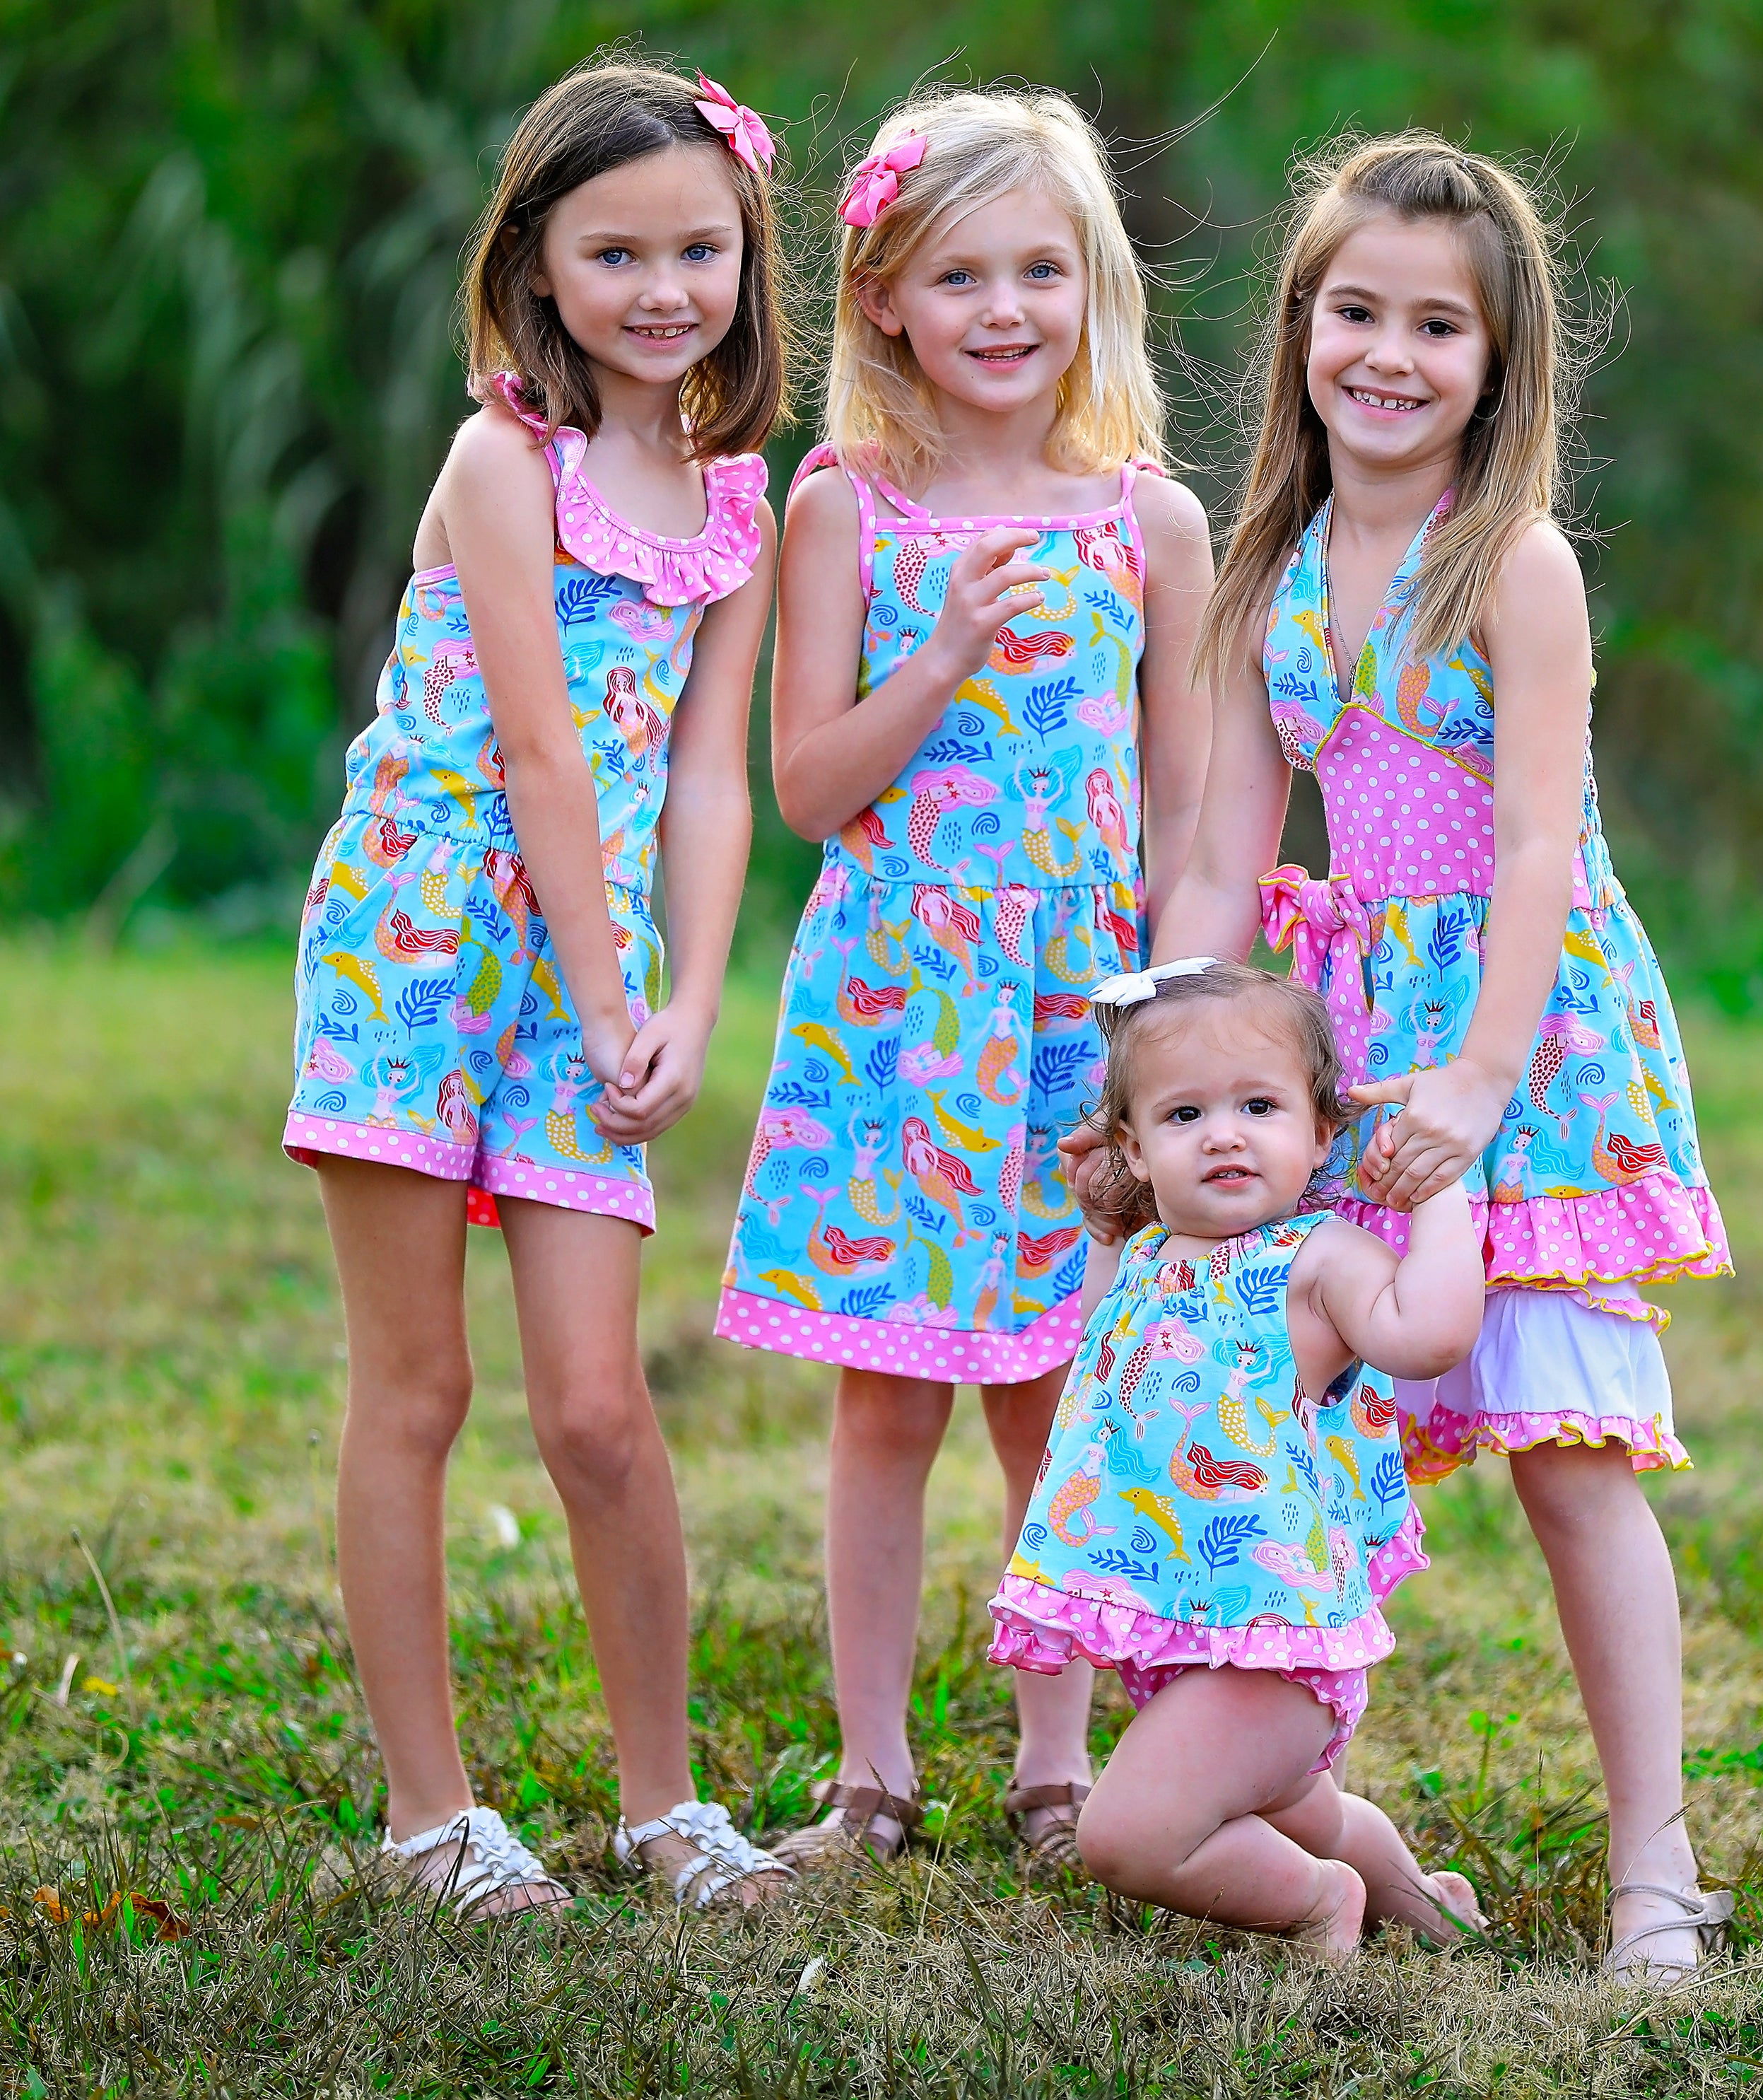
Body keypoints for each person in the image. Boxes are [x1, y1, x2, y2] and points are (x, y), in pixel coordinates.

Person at [1132, 134, 1735, 1978]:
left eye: (1434, 327)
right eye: (1352, 311)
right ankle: (1322, 1824)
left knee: (1564, 1449)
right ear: (1304, 326)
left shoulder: (1511, 563)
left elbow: (1542, 841)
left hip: (1514, 1039)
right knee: (1302, 1438)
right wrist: (1153, 1064)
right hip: (1332, 1052)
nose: (1385, 355)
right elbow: (1224, 865)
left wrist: (1473, 1081)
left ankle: (1655, 1861)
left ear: (1498, 360)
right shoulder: (1267, 567)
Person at [284, 58, 789, 1919]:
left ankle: (664, 1807)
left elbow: (713, 779)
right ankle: (431, 1818)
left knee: (595, 1405)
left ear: (745, 260)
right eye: (614, 253)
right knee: (413, 1388)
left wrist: (686, 996)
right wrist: (595, 983)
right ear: (535, 266)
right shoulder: (505, 459)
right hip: (425, 946)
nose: (663, 290)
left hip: (599, 979)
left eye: (698, 251)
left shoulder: (739, 505)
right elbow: (536, 751)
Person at [715, 88, 1212, 1871]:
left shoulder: (1149, 524)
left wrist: (1178, 1021)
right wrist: (937, 660)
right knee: (889, 1392)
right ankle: (872, 1775)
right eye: (959, 276)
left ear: (1092, 290)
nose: (1004, 310)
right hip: (895, 1010)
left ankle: (1053, 1764)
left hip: (1079, 1026)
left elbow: (1185, 802)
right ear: (886, 303)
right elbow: (805, 789)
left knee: (1058, 1388)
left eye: (1041, 272)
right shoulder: (846, 506)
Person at [988, 959, 1484, 1956]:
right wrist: (1100, 1225)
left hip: (1271, 1632)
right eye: (1181, 1116)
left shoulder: (1315, 1260)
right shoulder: (1144, 1257)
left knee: (1124, 1836)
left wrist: (1438, 1189)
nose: (1221, 1132)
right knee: (1308, 1810)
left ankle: (1316, 1902)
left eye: (1257, 1104)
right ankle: (1428, 1909)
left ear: (1319, 1132)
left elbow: (1427, 1334)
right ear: (1132, 1145)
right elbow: (1106, 1367)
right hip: (1191, 1628)